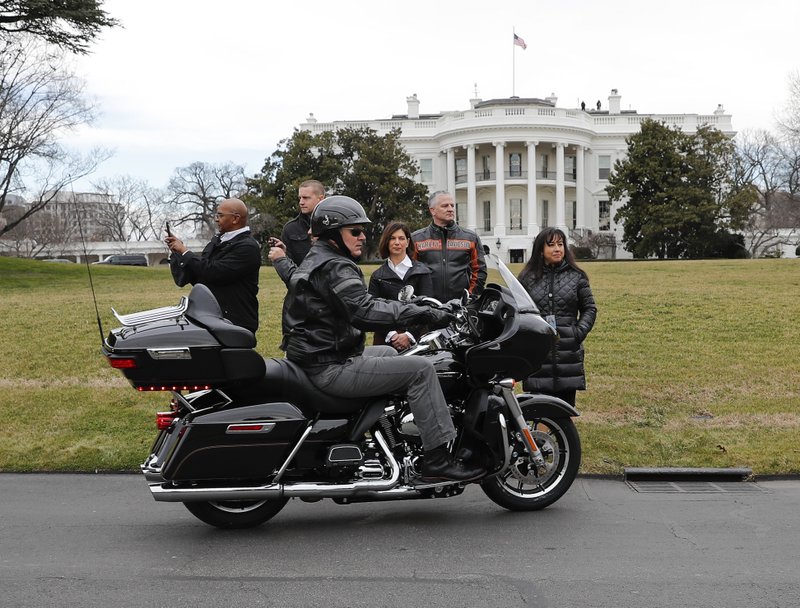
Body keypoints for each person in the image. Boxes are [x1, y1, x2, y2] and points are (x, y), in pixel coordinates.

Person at [282, 195, 484, 482]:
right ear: (332, 233)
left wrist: (424, 309)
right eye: (355, 231)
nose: (363, 236)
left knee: (392, 355)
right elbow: (364, 310)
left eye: (362, 230)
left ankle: (386, 440)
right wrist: (423, 314)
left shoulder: (319, 259)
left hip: (320, 357)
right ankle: (437, 460)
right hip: (331, 366)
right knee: (422, 370)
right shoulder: (335, 266)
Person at [518, 227, 597, 407]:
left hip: (567, 350)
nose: (557, 249)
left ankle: (562, 434)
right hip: (539, 350)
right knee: (539, 405)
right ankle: (541, 435)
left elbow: (590, 309)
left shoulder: (577, 277)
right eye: (551, 245)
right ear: (540, 250)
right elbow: (519, 311)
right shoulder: (527, 278)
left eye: (560, 244)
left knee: (564, 407)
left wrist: (577, 333)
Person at [165, 198, 261, 334]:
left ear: (235, 219)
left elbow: (214, 272)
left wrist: (185, 252)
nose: (216, 219)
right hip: (210, 317)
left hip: (235, 322)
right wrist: (177, 253)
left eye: (220, 215)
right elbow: (195, 275)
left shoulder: (247, 247)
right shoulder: (217, 242)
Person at [368, 221, 433, 351]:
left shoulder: (422, 271)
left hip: (417, 339)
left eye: (401, 238)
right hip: (385, 340)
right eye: (392, 238)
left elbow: (428, 308)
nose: (397, 242)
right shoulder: (377, 276)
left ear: (408, 242)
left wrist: (408, 335)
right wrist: (392, 335)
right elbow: (372, 311)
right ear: (386, 241)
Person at [412, 190, 487, 303]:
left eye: (452, 205)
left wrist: (470, 297)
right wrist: (419, 299)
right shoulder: (417, 239)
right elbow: (410, 272)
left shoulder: (470, 237)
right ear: (433, 210)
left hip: (461, 307)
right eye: (445, 206)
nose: (451, 209)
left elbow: (480, 271)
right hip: (427, 306)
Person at [280, 179, 325, 264]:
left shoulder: (336, 225)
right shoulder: (290, 229)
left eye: (306, 198)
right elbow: (288, 266)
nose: (301, 202)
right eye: (300, 198)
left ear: (321, 198)